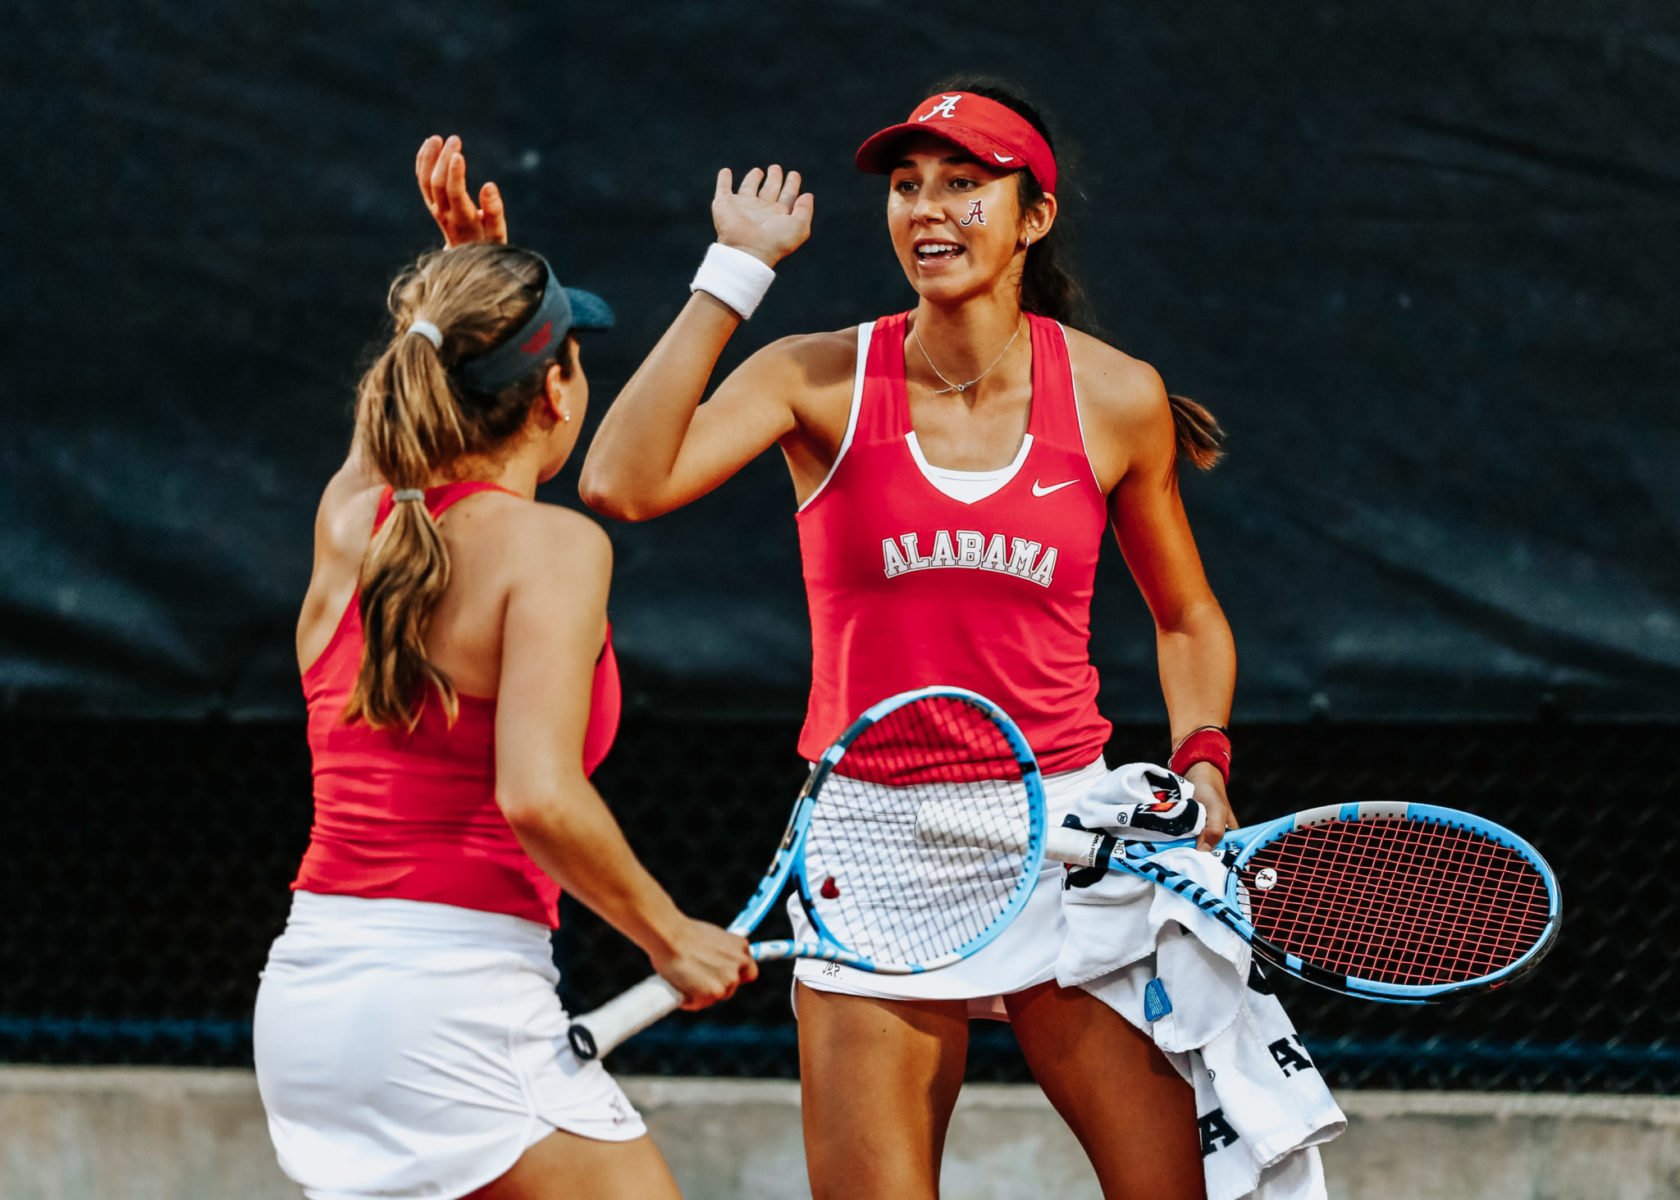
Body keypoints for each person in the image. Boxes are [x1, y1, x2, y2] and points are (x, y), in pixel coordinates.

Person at [421, 74, 1237, 1199]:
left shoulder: (1115, 398)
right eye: (908, 186)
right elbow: (619, 480)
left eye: (966, 184)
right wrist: (734, 273)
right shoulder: (817, 376)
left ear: (1033, 217)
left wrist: (1203, 759)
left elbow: (1187, 617)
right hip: (875, 842)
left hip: (1064, 836)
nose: (929, 208)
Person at [252, 237, 756, 1200]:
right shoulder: (553, 549)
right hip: (450, 1010)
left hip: (307, 1009)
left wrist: (457, 276)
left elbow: (403, 405)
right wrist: (669, 937)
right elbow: (536, 795)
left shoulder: (349, 520)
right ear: (556, 396)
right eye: (574, 357)